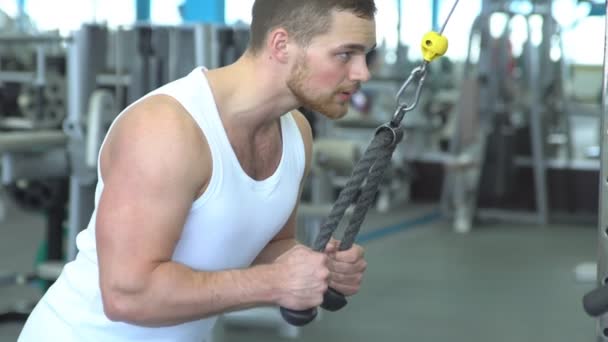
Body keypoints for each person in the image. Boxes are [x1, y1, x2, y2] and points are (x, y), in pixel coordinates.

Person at [19, 0, 377, 340]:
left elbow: (271, 243)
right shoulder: (166, 129)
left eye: (365, 55)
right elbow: (126, 295)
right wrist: (276, 283)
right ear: (282, 45)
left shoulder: (297, 134)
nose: (362, 73)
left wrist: (312, 266)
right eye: (346, 54)